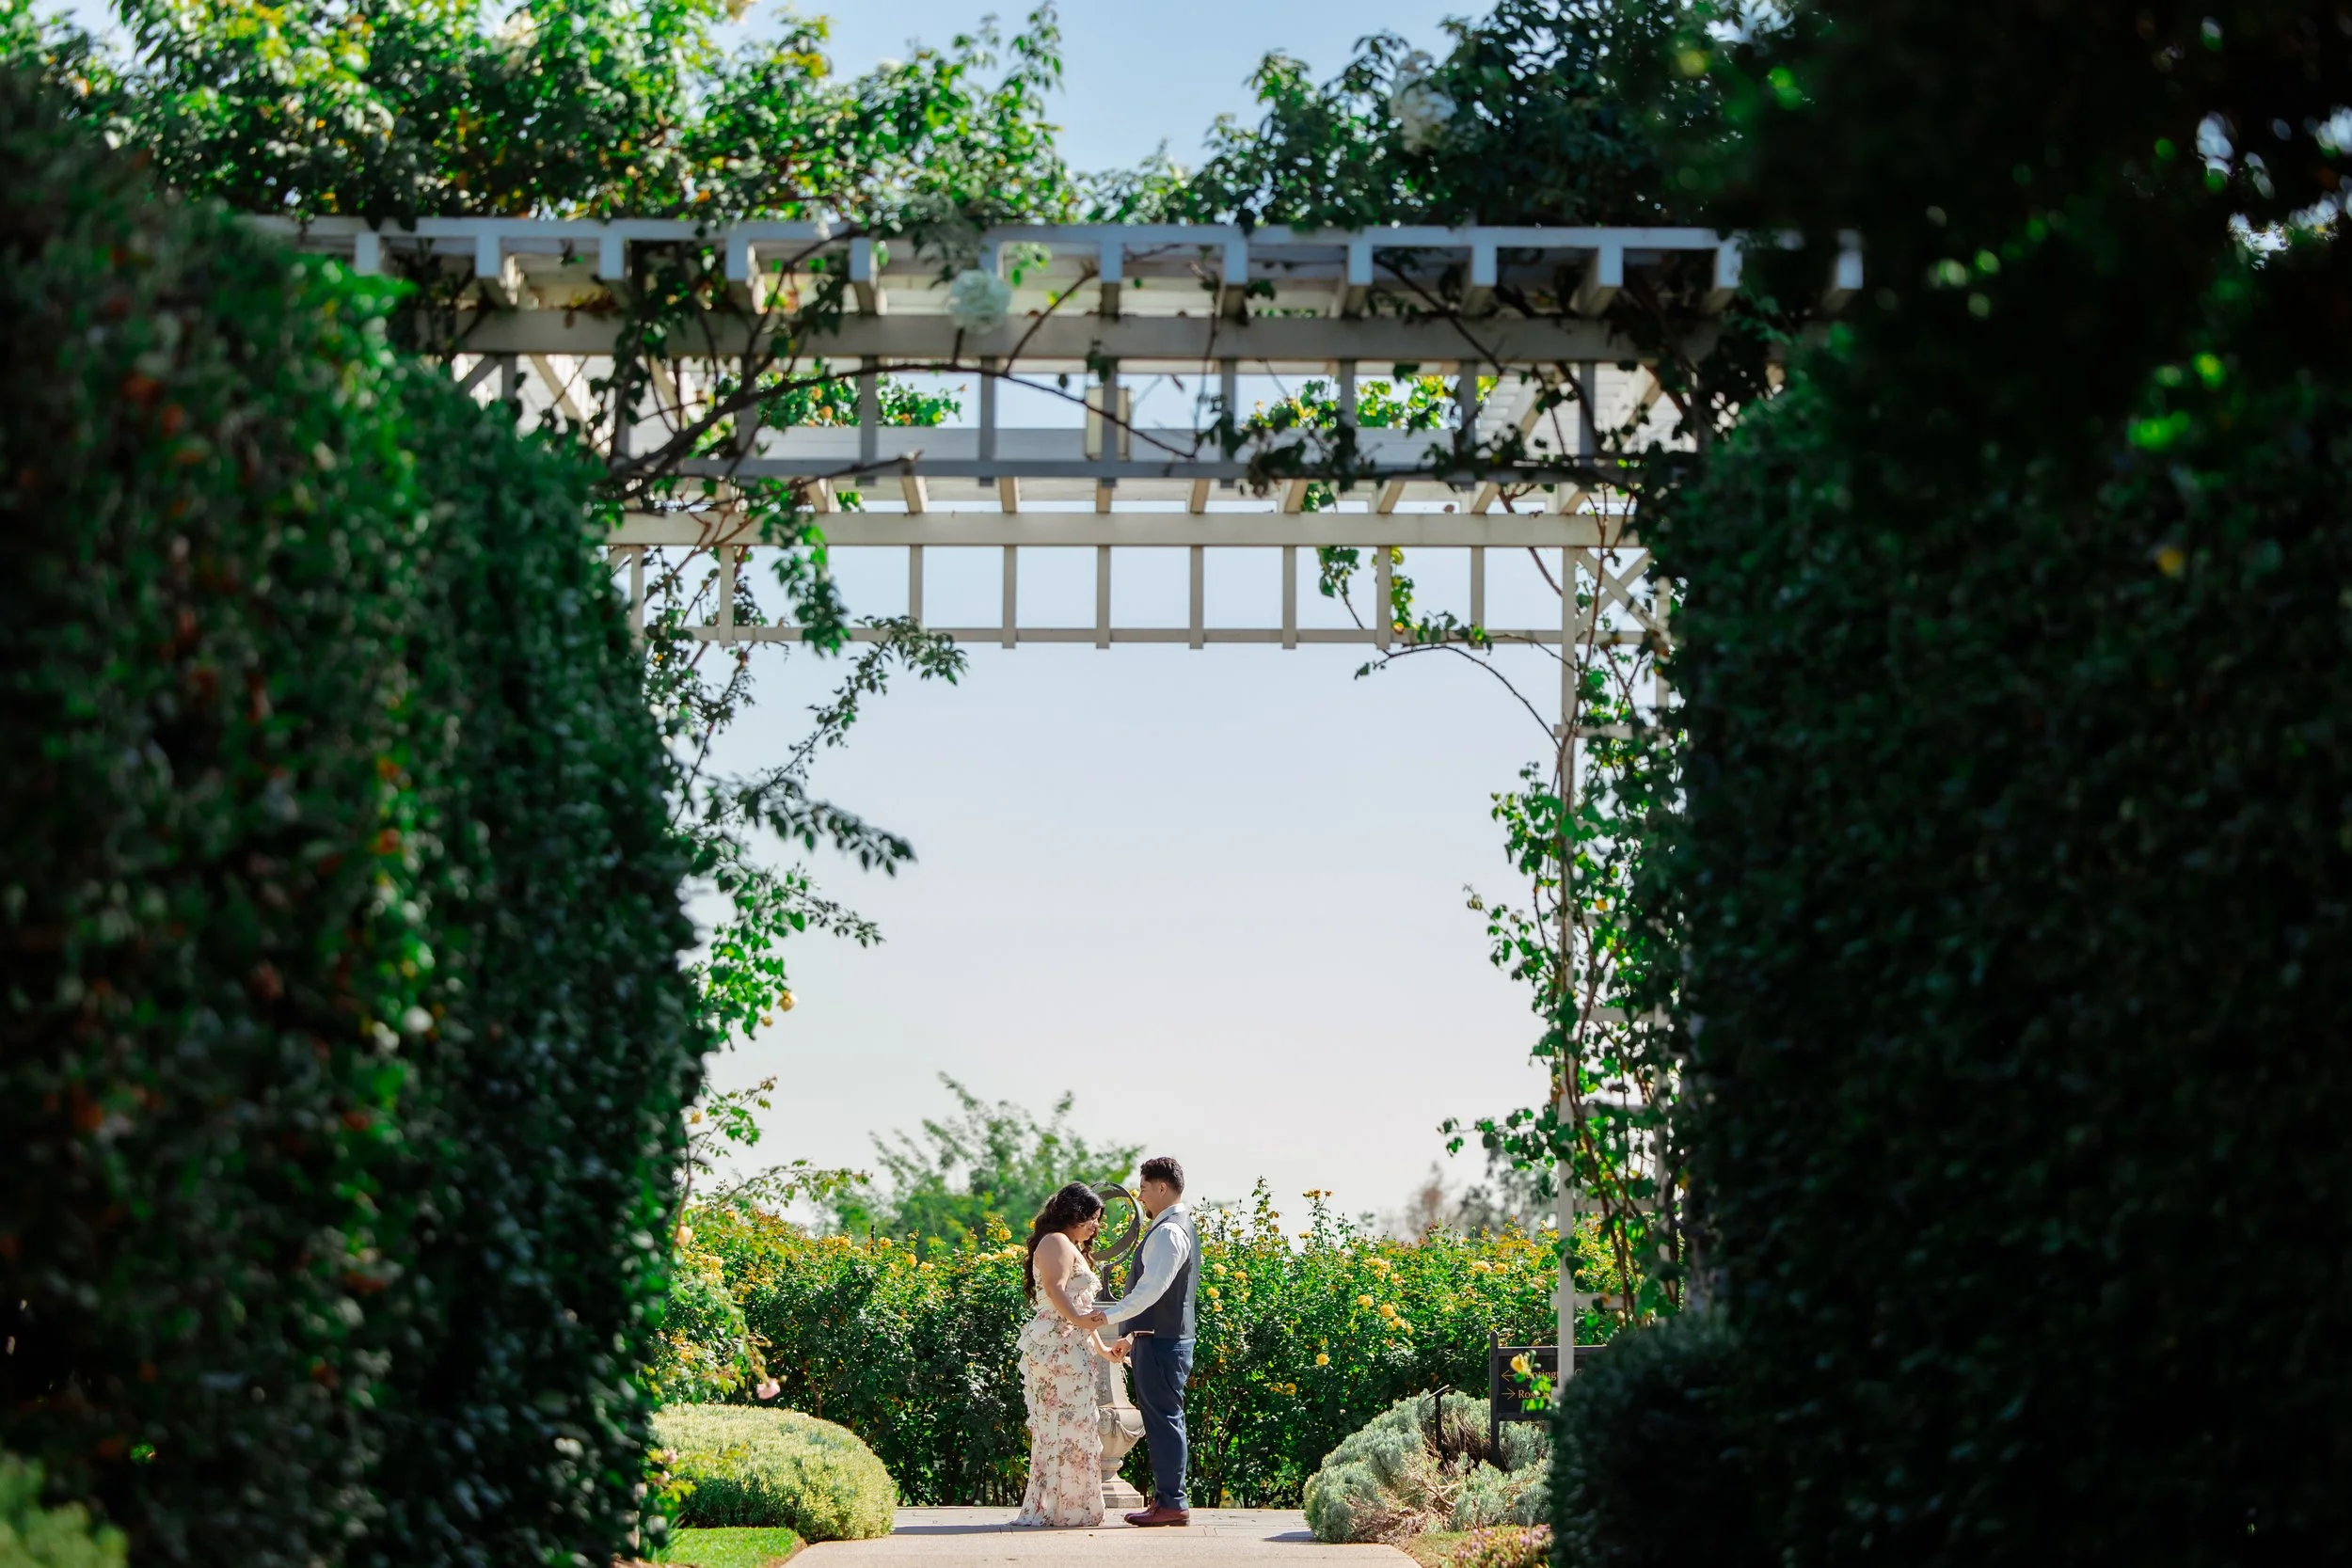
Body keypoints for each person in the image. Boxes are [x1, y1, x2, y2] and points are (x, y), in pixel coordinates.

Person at [1012, 1182, 1120, 1528]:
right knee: (1060, 1427)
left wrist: (1103, 1349)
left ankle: (1073, 1508)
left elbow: (1081, 1308)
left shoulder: (1071, 1245)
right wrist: (1077, 1321)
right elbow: (1055, 1289)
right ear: (1073, 1213)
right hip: (1056, 1347)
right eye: (1092, 1217)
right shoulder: (1056, 1241)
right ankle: (1057, 1508)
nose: (1096, 1225)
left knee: (1076, 1425)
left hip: (1071, 1346)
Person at [1102, 1156, 1199, 1528]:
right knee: (1165, 1419)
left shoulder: (1169, 1231)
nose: (1140, 1196)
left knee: (1164, 1421)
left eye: (1143, 1188)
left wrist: (1108, 1317)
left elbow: (1153, 1289)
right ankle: (1169, 1500)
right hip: (1158, 1338)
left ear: (1161, 1187)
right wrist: (1129, 1334)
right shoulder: (1174, 1226)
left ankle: (1172, 1502)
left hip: (1162, 1343)